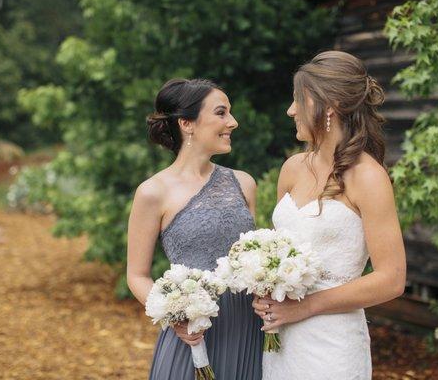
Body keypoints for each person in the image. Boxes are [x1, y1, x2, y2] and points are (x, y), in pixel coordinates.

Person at [253, 51, 407, 379]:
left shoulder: (368, 177)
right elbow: (277, 255)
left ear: (329, 107)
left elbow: (392, 279)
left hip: (331, 344)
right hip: (281, 339)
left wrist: (305, 306)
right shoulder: (292, 168)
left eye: (298, 100)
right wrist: (264, 290)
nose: (290, 110)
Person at [127, 78, 263, 380]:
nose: (233, 122)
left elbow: (252, 259)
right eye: (221, 113)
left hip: (247, 329)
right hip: (192, 332)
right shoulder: (153, 192)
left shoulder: (244, 183)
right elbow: (137, 275)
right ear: (187, 123)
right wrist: (175, 315)